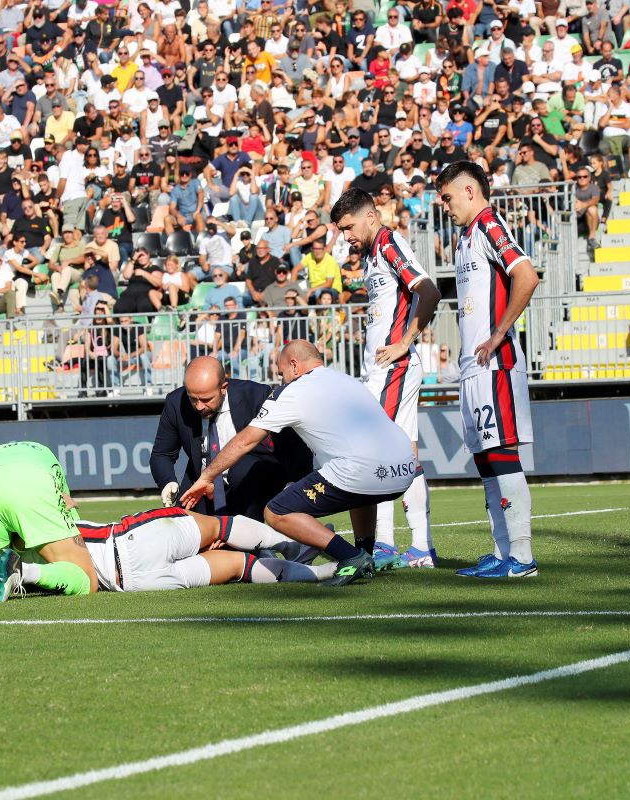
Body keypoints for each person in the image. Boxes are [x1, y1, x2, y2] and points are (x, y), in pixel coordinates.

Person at [0, 441, 336, 603]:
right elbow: (63, 502)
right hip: (138, 539)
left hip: (135, 583)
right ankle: (301, 551)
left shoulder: (24, 535)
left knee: (239, 566)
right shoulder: (46, 493)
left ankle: (321, 573)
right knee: (222, 528)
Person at [179, 341, 419, 586]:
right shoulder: (346, 380)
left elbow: (244, 441)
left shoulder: (292, 391)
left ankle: (351, 557)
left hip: (363, 471)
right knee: (359, 486)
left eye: (282, 372)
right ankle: (364, 552)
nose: (282, 379)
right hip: (405, 470)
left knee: (276, 512)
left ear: (294, 365)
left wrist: (207, 477)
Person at [435, 161, 541, 579]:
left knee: (501, 454)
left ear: (470, 192)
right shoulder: (465, 238)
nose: (445, 206)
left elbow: (527, 276)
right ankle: (501, 552)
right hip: (473, 366)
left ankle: (522, 557)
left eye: (447, 197)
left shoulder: (490, 226)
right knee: (485, 459)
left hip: (495, 364)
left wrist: (499, 333)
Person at [329, 188, 442, 570]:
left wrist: (404, 343)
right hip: (383, 369)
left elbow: (428, 290)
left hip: (391, 368)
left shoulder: (390, 243)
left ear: (370, 217)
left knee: (373, 452)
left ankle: (387, 545)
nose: (345, 236)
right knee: (404, 456)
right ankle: (419, 547)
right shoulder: (372, 255)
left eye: (348, 227)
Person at [150, 356, 310, 519]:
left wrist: (295, 486)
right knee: (184, 528)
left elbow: (294, 444)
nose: (199, 406)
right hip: (202, 480)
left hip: (256, 478)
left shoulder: (256, 395)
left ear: (223, 387)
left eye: (206, 400)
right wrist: (167, 481)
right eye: (193, 398)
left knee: (242, 471)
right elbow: (161, 454)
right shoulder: (176, 402)